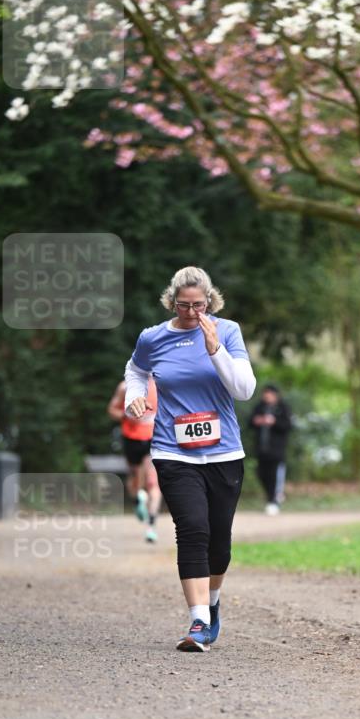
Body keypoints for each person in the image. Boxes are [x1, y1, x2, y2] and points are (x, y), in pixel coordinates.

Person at [124, 266, 256, 652]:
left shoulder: (226, 331)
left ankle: (212, 604)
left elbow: (244, 390)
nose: (192, 313)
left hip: (224, 452)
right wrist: (135, 396)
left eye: (199, 305)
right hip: (173, 450)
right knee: (193, 529)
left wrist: (215, 349)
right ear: (172, 302)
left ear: (210, 301)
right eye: (184, 305)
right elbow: (135, 370)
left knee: (219, 541)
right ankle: (198, 621)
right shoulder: (153, 337)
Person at [107, 376, 161, 543]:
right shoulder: (125, 387)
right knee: (135, 480)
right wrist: (127, 415)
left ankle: (151, 526)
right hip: (131, 439)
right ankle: (138, 499)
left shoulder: (161, 384)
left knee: (152, 481)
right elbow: (111, 410)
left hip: (153, 438)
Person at [250, 384, 292, 515]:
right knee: (261, 474)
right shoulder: (259, 407)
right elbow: (250, 422)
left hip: (277, 451)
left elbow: (288, 426)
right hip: (262, 450)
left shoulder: (283, 408)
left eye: (269, 394)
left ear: (276, 395)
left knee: (275, 476)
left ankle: (273, 501)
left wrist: (274, 422)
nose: (267, 396)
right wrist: (257, 421)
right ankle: (271, 497)